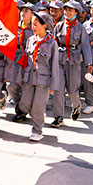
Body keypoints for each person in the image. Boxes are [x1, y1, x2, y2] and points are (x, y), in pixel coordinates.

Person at [16, 11, 62, 142]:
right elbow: (24, 60)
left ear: (45, 25)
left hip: (43, 80)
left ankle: (37, 130)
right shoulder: (31, 40)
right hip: (29, 78)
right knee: (24, 104)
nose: (33, 27)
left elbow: (54, 66)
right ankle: (37, 119)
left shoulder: (52, 43)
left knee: (38, 106)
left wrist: (54, 85)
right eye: (32, 24)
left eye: (36, 24)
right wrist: (20, 78)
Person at [51, 0, 92, 126]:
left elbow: (85, 46)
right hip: (60, 59)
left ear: (76, 12)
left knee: (72, 89)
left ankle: (76, 105)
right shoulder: (59, 26)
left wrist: (88, 63)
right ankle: (58, 117)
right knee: (58, 89)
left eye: (71, 10)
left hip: (74, 60)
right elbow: (54, 43)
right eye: (66, 10)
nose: (67, 12)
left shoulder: (81, 28)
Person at [8, 2, 34, 114]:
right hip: (15, 57)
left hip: (28, 58)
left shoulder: (35, 28)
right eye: (22, 11)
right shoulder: (14, 25)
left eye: (26, 11)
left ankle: (22, 110)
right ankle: (19, 102)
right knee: (11, 85)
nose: (23, 13)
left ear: (33, 14)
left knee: (26, 85)